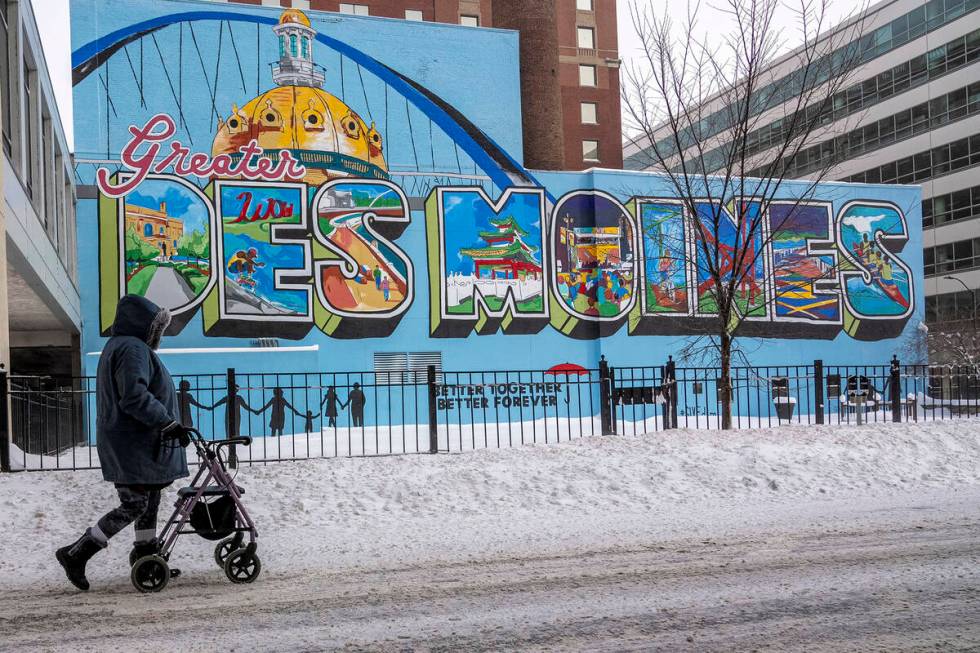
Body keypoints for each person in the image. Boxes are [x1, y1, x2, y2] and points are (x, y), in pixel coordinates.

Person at [56, 295, 191, 591]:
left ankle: (147, 556)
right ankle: (76, 553)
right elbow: (134, 396)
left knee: (150, 499)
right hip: (133, 443)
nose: (159, 334)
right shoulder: (132, 349)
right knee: (136, 503)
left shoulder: (124, 347)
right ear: (144, 326)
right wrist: (167, 423)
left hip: (135, 441)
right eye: (157, 327)